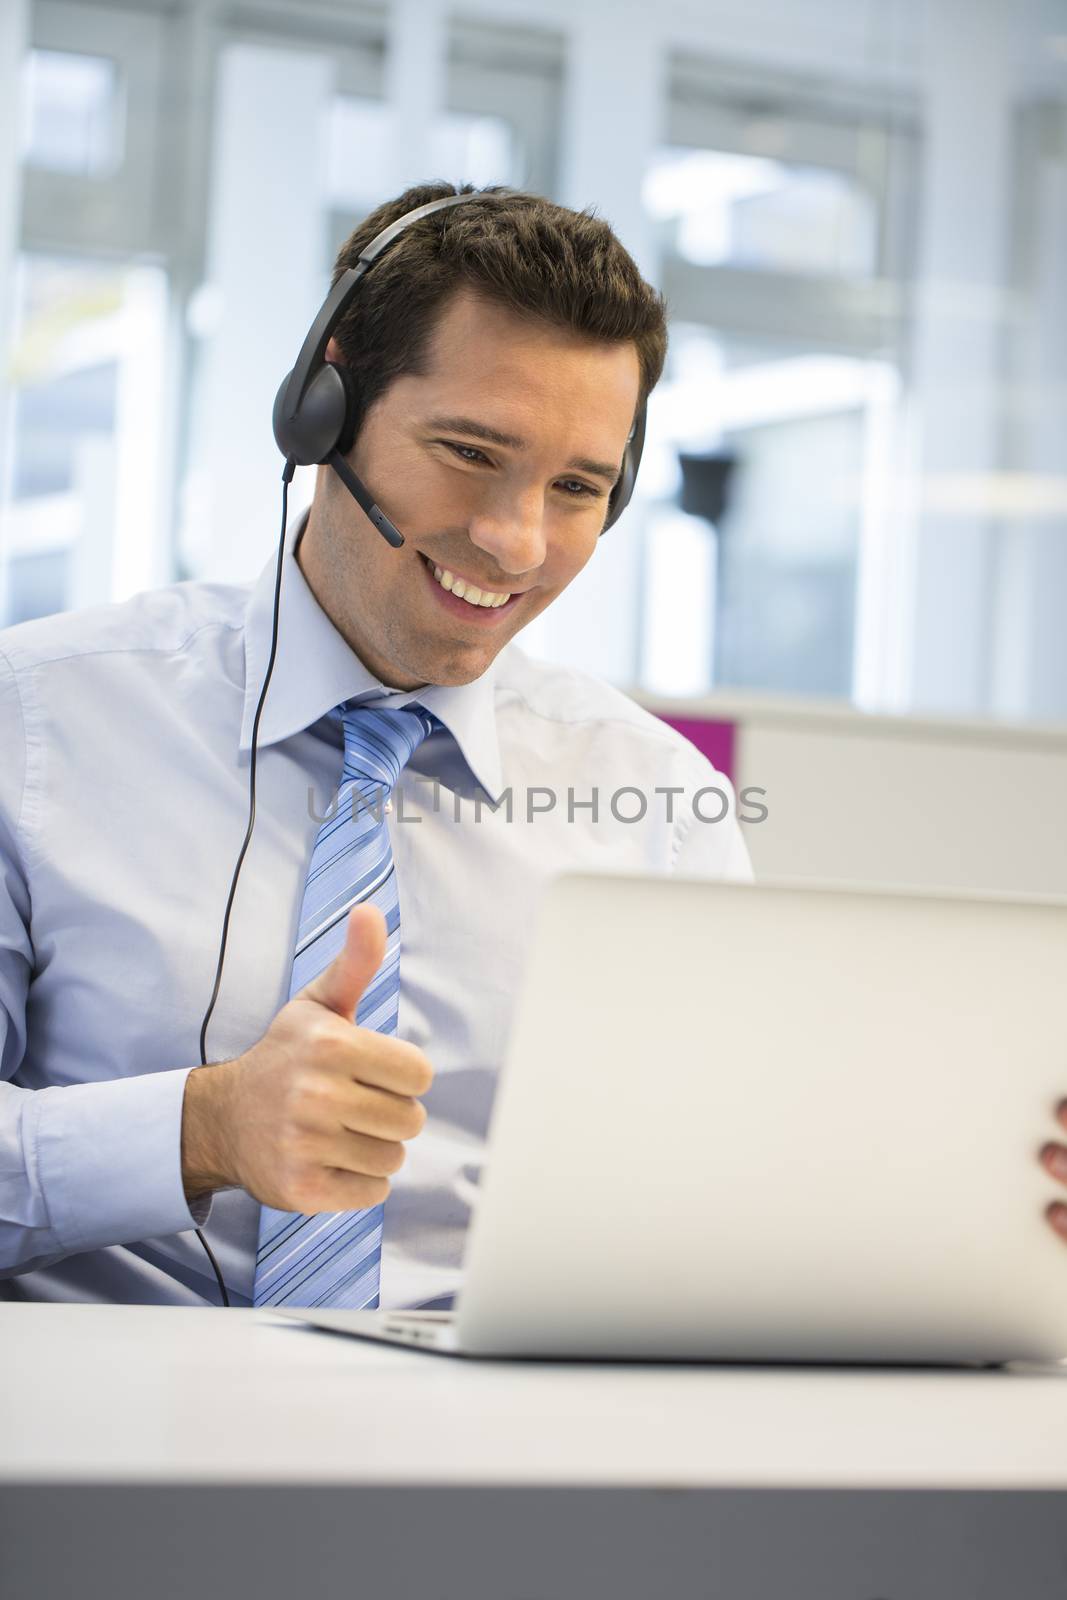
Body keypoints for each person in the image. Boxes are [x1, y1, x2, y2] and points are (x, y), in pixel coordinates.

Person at [0, 182, 755, 1307]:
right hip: (96, 1440)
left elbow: (733, 1188)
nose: (513, 541)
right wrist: (196, 1128)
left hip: (501, 1452)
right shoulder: (39, 723)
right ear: (324, 404)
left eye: (577, 487)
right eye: (466, 452)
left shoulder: (653, 799)